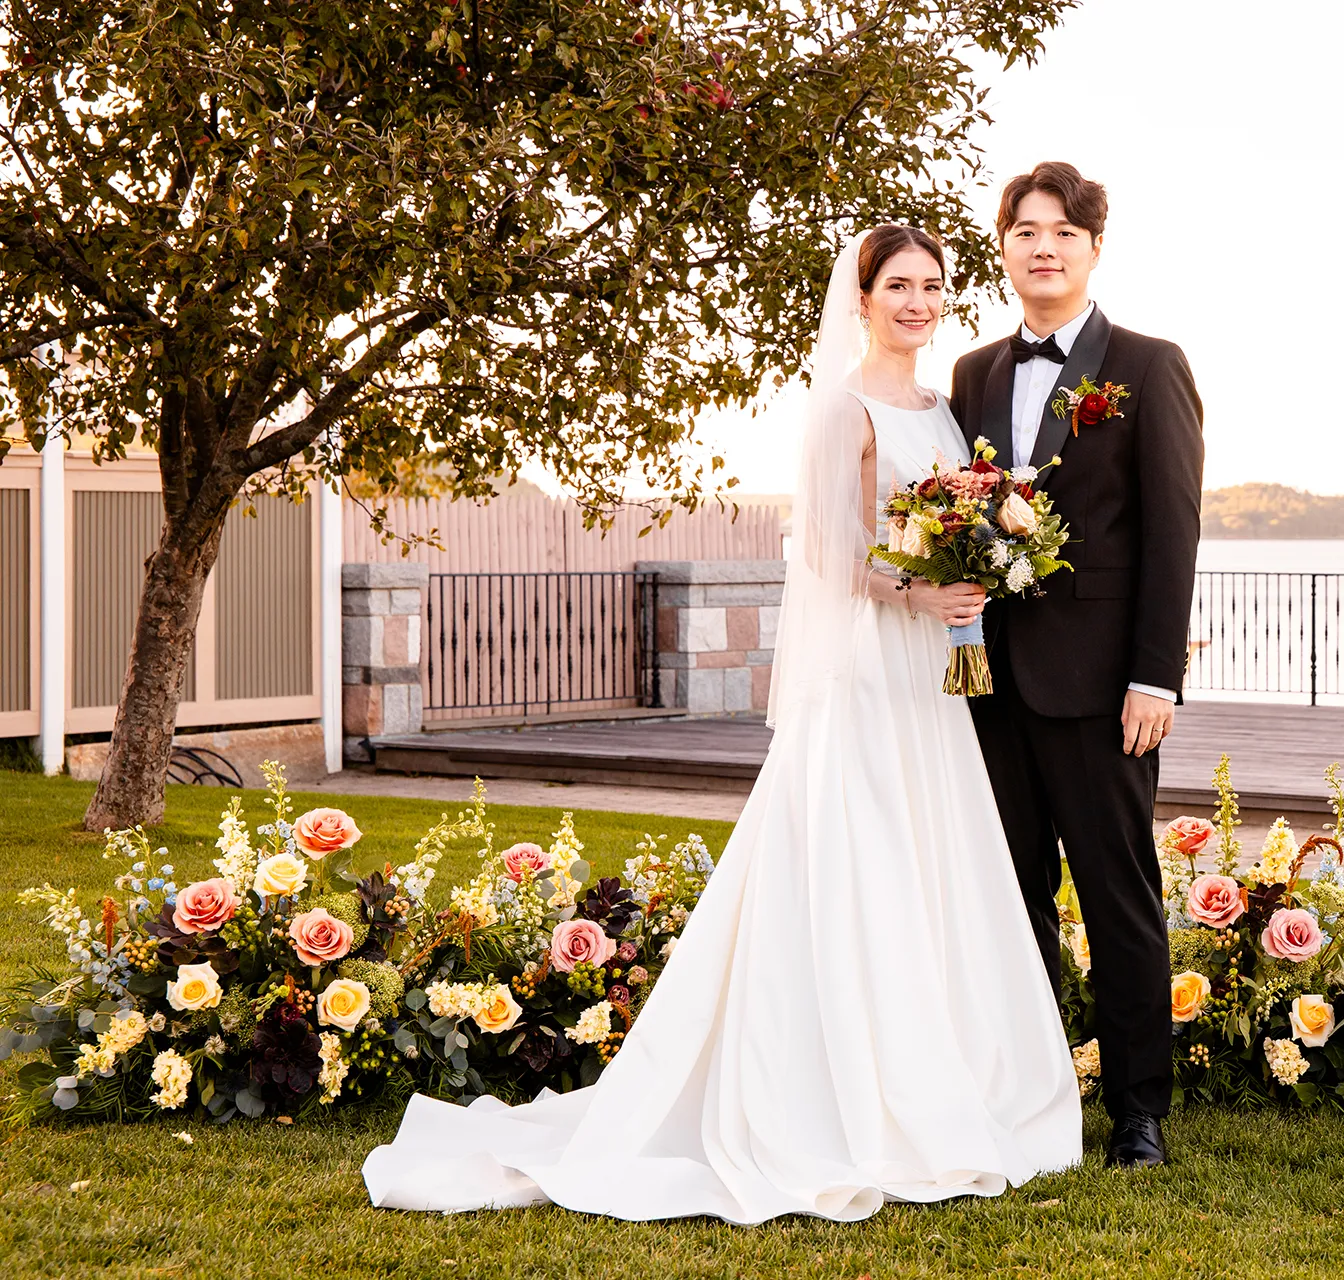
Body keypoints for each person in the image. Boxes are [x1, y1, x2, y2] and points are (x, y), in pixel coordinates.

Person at [362, 226, 1082, 1223]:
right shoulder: (845, 407)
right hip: (871, 671)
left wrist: (980, 567)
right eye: (898, 286)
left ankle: (944, 1075)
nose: (917, 302)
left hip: (932, 682)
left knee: (928, 864)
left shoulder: (941, 409)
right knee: (857, 860)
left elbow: (935, 520)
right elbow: (829, 555)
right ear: (863, 297)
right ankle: (844, 1096)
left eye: (932, 286)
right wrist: (919, 597)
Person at [951, 162, 1204, 1170]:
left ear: (1094, 247)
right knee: (1011, 900)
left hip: (1104, 690)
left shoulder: (1149, 364)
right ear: (1003, 247)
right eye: (1023, 229)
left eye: (1062, 230)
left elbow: (1172, 531)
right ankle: (1029, 1093)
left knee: (1117, 895)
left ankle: (1140, 1108)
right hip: (989, 686)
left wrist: (1157, 675)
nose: (1042, 246)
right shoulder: (970, 373)